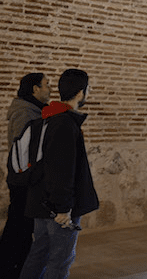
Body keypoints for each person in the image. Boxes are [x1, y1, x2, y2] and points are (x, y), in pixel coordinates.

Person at [19, 68, 99, 278]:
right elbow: (61, 169)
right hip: (57, 208)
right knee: (60, 259)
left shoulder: (47, 118)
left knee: (39, 254)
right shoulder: (64, 123)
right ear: (81, 92)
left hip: (40, 201)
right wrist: (63, 209)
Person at [0, 73, 52, 279]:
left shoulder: (32, 110)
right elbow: (22, 151)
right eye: (46, 85)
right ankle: (10, 268)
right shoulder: (26, 112)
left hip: (24, 178)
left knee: (20, 224)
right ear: (35, 89)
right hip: (23, 179)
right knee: (19, 225)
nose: (49, 89)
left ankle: (14, 266)